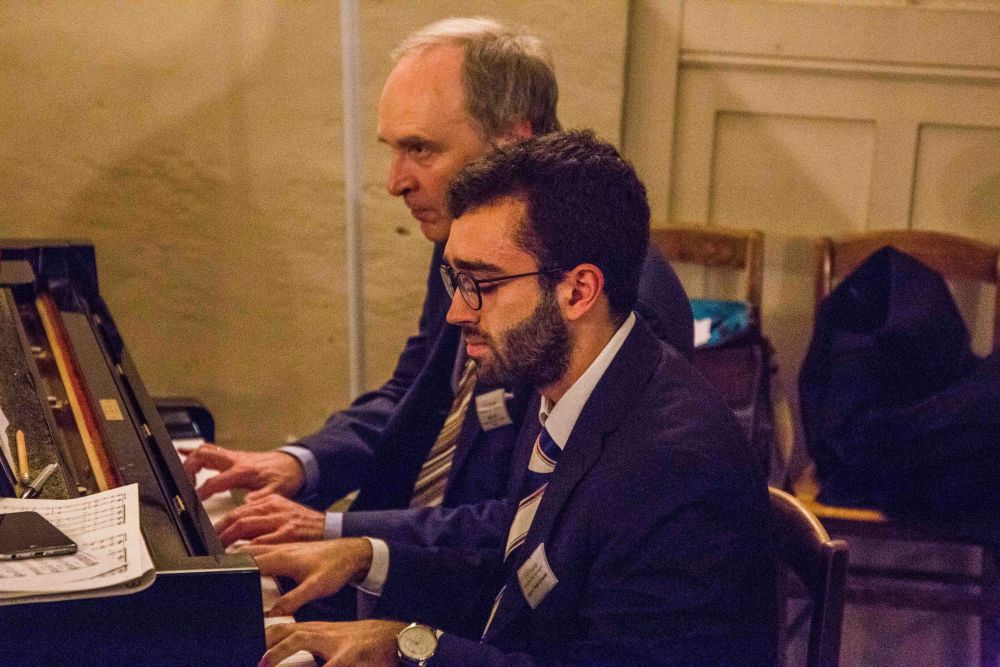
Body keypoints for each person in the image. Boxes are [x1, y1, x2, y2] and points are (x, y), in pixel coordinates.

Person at [250, 131, 777, 667]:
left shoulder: (674, 471)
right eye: (456, 279)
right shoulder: (573, 385)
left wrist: (406, 647)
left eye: (483, 284)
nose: (458, 311)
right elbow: (525, 559)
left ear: (578, 291)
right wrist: (366, 557)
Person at [181, 18, 693, 548]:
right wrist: (302, 463)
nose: (395, 182)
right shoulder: (470, 239)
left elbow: (541, 523)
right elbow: (419, 396)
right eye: (392, 149)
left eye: (421, 149)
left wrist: (340, 535)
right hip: (408, 540)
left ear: (511, 140)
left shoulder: (616, 306)